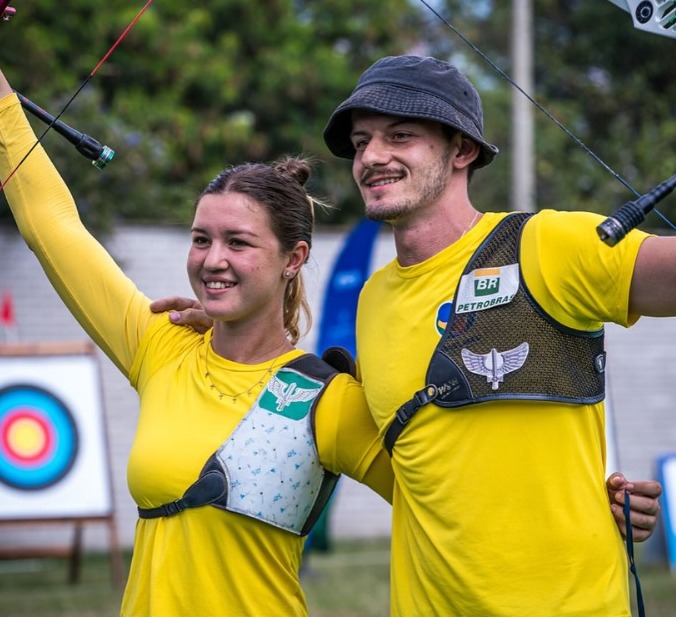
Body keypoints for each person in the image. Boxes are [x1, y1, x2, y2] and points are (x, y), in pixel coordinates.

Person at [156, 55, 665, 616]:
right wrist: (229, 328)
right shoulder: (373, 300)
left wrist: (597, 499)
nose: (372, 156)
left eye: (400, 136)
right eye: (361, 141)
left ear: (462, 150)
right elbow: (425, 461)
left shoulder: (545, 246)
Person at [0, 70, 394, 617]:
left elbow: (438, 505)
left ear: (294, 259)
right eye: (201, 239)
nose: (213, 260)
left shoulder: (324, 397)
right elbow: (52, 225)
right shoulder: (161, 345)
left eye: (238, 243)